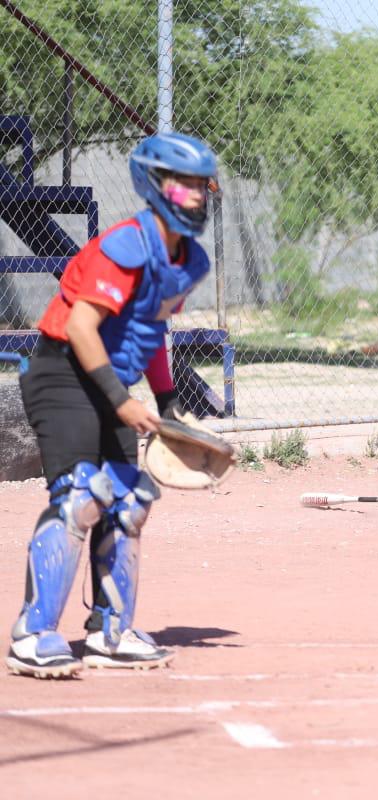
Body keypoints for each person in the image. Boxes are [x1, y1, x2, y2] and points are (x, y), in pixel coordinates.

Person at [6, 132, 218, 678]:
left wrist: (168, 405)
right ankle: (34, 634)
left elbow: (151, 332)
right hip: (63, 374)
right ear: (156, 184)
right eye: (185, 183)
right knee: (82, 495)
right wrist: (124, 402)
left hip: (108, 386)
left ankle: (109, 631)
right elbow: (80, 326)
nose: (197, 194)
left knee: (127, 502)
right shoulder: (125, 245)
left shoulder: (190, 261)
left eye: (202, 184)